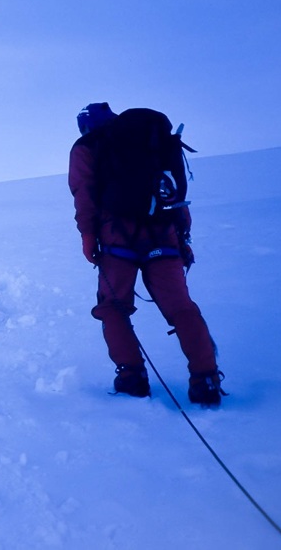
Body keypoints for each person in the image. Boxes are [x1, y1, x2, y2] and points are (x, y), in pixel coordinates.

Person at [68, 103, 224, 406]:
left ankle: (132, 376)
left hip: (116, 236)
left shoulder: (87, 147)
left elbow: (83, 193)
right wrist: (183, 237)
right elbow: (175, 191)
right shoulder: (151, 143)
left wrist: (88, 236)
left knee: (113, 306)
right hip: (163, 231)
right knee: (181, 307)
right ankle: (206, 378)